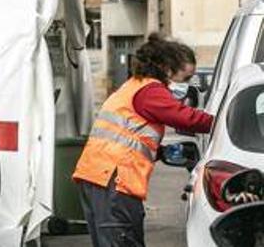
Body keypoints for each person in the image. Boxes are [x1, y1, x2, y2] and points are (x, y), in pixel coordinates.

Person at [73, 34, 214, 247]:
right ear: (167, 69)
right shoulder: (151, 91)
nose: (186, 85)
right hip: (114, 180)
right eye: (185, 78)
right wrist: (224, 120)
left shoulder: (134, 86)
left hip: (99, 177)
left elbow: (128, 136)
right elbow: (186, 118)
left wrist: (159, 152)